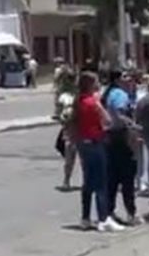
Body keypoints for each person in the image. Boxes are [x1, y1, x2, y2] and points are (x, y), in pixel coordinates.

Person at [75, 72, 122, 232]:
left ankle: (85, 218)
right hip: (95, 142)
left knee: (88, 182)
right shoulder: (92, 102)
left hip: (83, 143)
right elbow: (108, 119)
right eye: (96, 82)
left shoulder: (78, 101)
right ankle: (103, 218)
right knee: (101, 181)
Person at [102, 70, 140, 225]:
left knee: (112, 177)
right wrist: (133, 125)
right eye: (125, 77)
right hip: (121, 136)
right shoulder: (120, 94)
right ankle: (131, 213)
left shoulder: (108, 93)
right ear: (117, 80)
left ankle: (108, 212)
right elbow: (119, 113)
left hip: (109, 137)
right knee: (127, 177)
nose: (128, 79)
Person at [52, 57, 78, 189]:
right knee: (71, 158)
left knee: (71, 158)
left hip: (75, 129)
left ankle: (67, 181)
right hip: (72, 129)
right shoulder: (66, 95)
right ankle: (67, 180)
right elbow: (59, 115)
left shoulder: (73, 94)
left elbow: (58, 115)